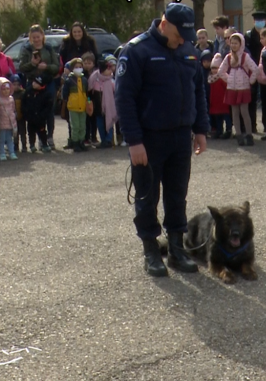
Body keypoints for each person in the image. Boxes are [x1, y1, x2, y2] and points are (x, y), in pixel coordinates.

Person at [116, 2, 208, 277]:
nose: (183, 40)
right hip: (148, 138)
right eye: (180, 34)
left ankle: (177, 249)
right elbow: (124, 99)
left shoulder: (189, 51)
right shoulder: (137, 50)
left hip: (180, 135)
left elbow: (198, 93)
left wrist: (201, 129)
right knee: (147, 195)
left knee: (177, 195)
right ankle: (150, 249)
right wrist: (133, 141)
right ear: (164, 24)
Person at [19, 25, 59, 150]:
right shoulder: (26, 49)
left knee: (49, 110)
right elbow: (22, 68)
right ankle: (36, 140)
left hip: (48, 82)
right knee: (34, 111)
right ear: (30, 38)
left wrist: (46, 67)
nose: (36, 39)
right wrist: (33, 64)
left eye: (38, 36)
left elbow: (56, 66)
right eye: (33, 37)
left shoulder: (48, 48)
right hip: (33, 83)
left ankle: (49, 137)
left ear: (42, 36)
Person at [218, 33, 258, 146]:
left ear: (241, 44)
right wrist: (229, 79)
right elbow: (221, 71)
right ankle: (239, 135)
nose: (234, 45)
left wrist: (251, 81)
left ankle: (249, 135)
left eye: (236, 43)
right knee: (234, 112)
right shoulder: (228, 57)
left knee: (244, 111)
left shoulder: (245, 56)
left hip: (243, 87)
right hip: (232, 88)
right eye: (232, 43)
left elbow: (255, 69)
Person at [88, 55, 118, 148]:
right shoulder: (95, 80)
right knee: (100, 125)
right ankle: (103, 140)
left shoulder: (112, 82)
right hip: (98, 107)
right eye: (108, 69)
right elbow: (89, 91)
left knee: (109, 123)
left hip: (109, 107)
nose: (110, 71)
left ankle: (108, 140)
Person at [245, 10, 266, 135]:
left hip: (265, 70)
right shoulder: (248, 35)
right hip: (252, 70)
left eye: (262, 20)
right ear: (254, 22)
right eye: (257, 20)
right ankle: (252, 125)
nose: (260, 23)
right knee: (251, 99)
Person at [62, 58, 89, 152]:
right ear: (72, 68)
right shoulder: (69, 80)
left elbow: (87, 93)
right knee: (75, 126)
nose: (78, 68)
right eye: (76, 67)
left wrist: (88, 101)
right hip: (73, 107)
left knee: (82, 126)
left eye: (80, 67)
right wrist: (67, 101)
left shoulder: (84, 79)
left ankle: (81, 141)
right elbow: (64, 94)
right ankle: (75, 143)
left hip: (83, 106)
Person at [23, 76, 53, 153]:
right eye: (34, 82)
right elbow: (24, 103)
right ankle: (32, 145)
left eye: (36, 83)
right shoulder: (28, 91)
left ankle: (44, 144)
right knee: (31, 132)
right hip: (30, 117)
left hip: (41, 118)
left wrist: (43, 115)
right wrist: (26, 114)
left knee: (42, 132)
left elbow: (48, 106)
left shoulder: (46, 94)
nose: (34, 84)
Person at [208, 53, 231, 139]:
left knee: (226, 117)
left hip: (223, 101)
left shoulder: (223, 78)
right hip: (214, 102)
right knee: (218, 118)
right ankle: (219, 130)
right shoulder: (210, 78)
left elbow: (227, 89)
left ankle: (228, 130)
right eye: (213, 68)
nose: (214, 70)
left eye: (216, 68)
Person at [0, 77, 17, 160]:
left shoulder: (11, 99)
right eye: (3, 89)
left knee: (9, 138)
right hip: (1, 122)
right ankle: (2, 153)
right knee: (1, 139)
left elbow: (13, 109)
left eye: (8, 89)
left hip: (10, 122)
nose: (6, 91)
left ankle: (11, 152)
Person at [81, 52, 98, 145]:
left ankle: (94, 137)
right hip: (86, 97)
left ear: (93, 64)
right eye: (85, 63)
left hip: (94, 98)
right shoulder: (82, 74)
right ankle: (86, 137)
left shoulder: (96, 73)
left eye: (89, 63)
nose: (87, 65)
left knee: (93, 118)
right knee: (86, 119)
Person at [11, 75, 27, 152]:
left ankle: (24, 145)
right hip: (13, 117)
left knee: (23, 132)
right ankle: (15, 145)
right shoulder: (9, 94)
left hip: (22, 116)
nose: (16, 86)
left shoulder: (23, 93)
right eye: (14, 84)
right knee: (15, 133)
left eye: (18, 84)